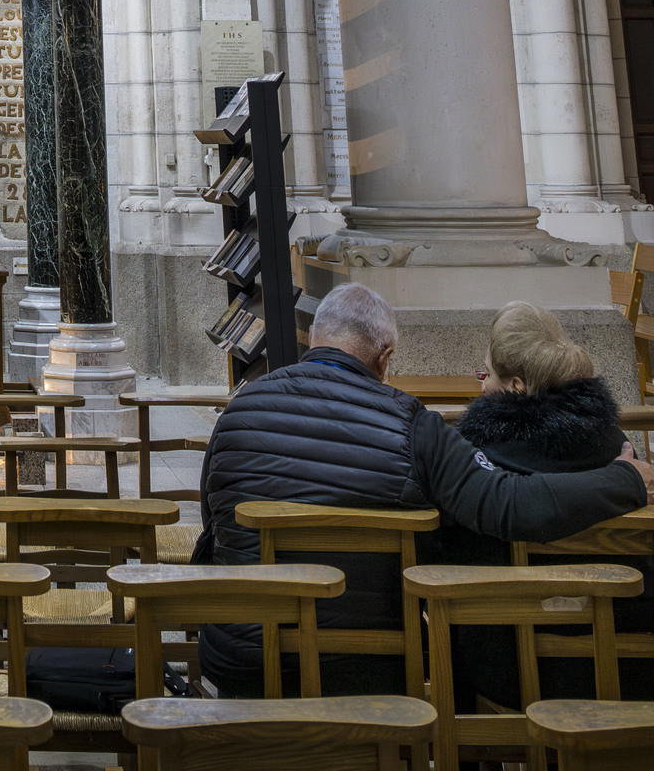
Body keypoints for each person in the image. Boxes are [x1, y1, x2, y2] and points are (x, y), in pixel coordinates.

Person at [196, 282, 654, 696]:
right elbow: (507, 505)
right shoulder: (415, 426)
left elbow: (212, 526)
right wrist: (626, 477)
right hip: (369, 665)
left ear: (314, 337)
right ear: (385, 354)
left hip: (240, 659)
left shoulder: (238, 412)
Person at [437, 301, 654, 704]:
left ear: (516, 385)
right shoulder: (619, 448)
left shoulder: (478, 452)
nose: (481, 383)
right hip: (628, 663)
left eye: (486, 372)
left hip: (516, 672)